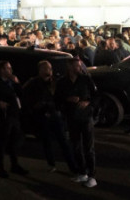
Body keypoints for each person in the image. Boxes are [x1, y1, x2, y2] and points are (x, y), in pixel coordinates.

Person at [21, 60, 75, 173]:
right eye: (46, 68)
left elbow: (62, 97)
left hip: (56, 115)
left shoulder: (56, 82)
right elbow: (25, 97)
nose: (49, 71)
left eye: (50, 68)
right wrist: (35, 106)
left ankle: (72, 166)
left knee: (63, 142)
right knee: (46, 141)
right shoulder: (33, 83)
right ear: (40, 70)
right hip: (42, 116)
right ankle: (51, 164)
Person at [56, 58, 97, 188]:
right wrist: (67, 99)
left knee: (88, 147)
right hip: (71, 117)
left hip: (86, 117)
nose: (79, 68)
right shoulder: (62, 82)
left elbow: (96, 96)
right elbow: (57, 99)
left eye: (80, 66)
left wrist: (88, 103)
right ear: (69, 67)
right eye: (77, 66)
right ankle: (82, 172)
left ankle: (92, 176)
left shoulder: (85, 79)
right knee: (76, 146)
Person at [0, 60, 27, 178]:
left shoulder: (11, 81)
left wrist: (17, 83)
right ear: (2, 70)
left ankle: (14, 165)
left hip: (14, 114)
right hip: (4, 116)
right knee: (2, 142)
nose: (11, 70)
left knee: (14, 141)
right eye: (8, 68)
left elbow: (21, 94)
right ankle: (1, 168)